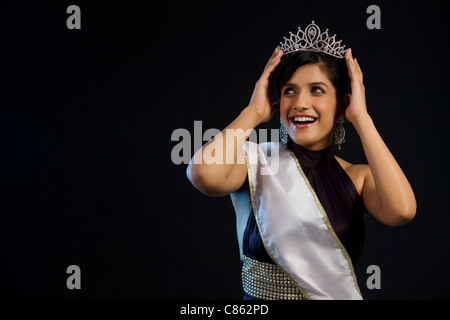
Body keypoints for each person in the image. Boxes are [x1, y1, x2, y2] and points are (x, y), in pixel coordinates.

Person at [186, 21, 416, 300]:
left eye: (317, 90)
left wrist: (361, 118)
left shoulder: (358, 177)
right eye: (289, 90)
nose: (300, 103)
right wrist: (254, 111)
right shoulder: (255, 161)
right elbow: (202, 174)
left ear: (342, 103)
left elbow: (402, 211)